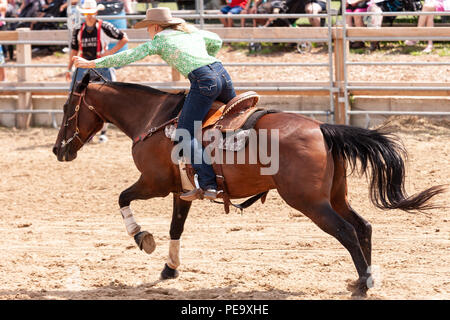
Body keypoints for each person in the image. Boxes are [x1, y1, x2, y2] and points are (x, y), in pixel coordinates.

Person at [72, 7, 236, 201]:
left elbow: (128, 56)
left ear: (156, 27)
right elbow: (216, 40)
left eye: (148, 28)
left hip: (204, 81)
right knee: (235, 115)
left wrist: (92, 64)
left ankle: (209, 183)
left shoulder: (160, 40)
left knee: (185, 132)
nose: (148, 32)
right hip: (222, 74)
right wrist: (206, 57)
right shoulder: (190, 32)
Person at [67, 0, 128, 143]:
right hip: (84, 66)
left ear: (96, 12)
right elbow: (74, 51)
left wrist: (110, 53)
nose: (88, 16)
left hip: (102, 65)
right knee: (77, 97)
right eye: (86, 13)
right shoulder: (78, 30)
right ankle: (85, 130)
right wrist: (69, 68)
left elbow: (124, 38)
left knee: (106, 99)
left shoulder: (104, 26)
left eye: (91, 13)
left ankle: (103, 132)